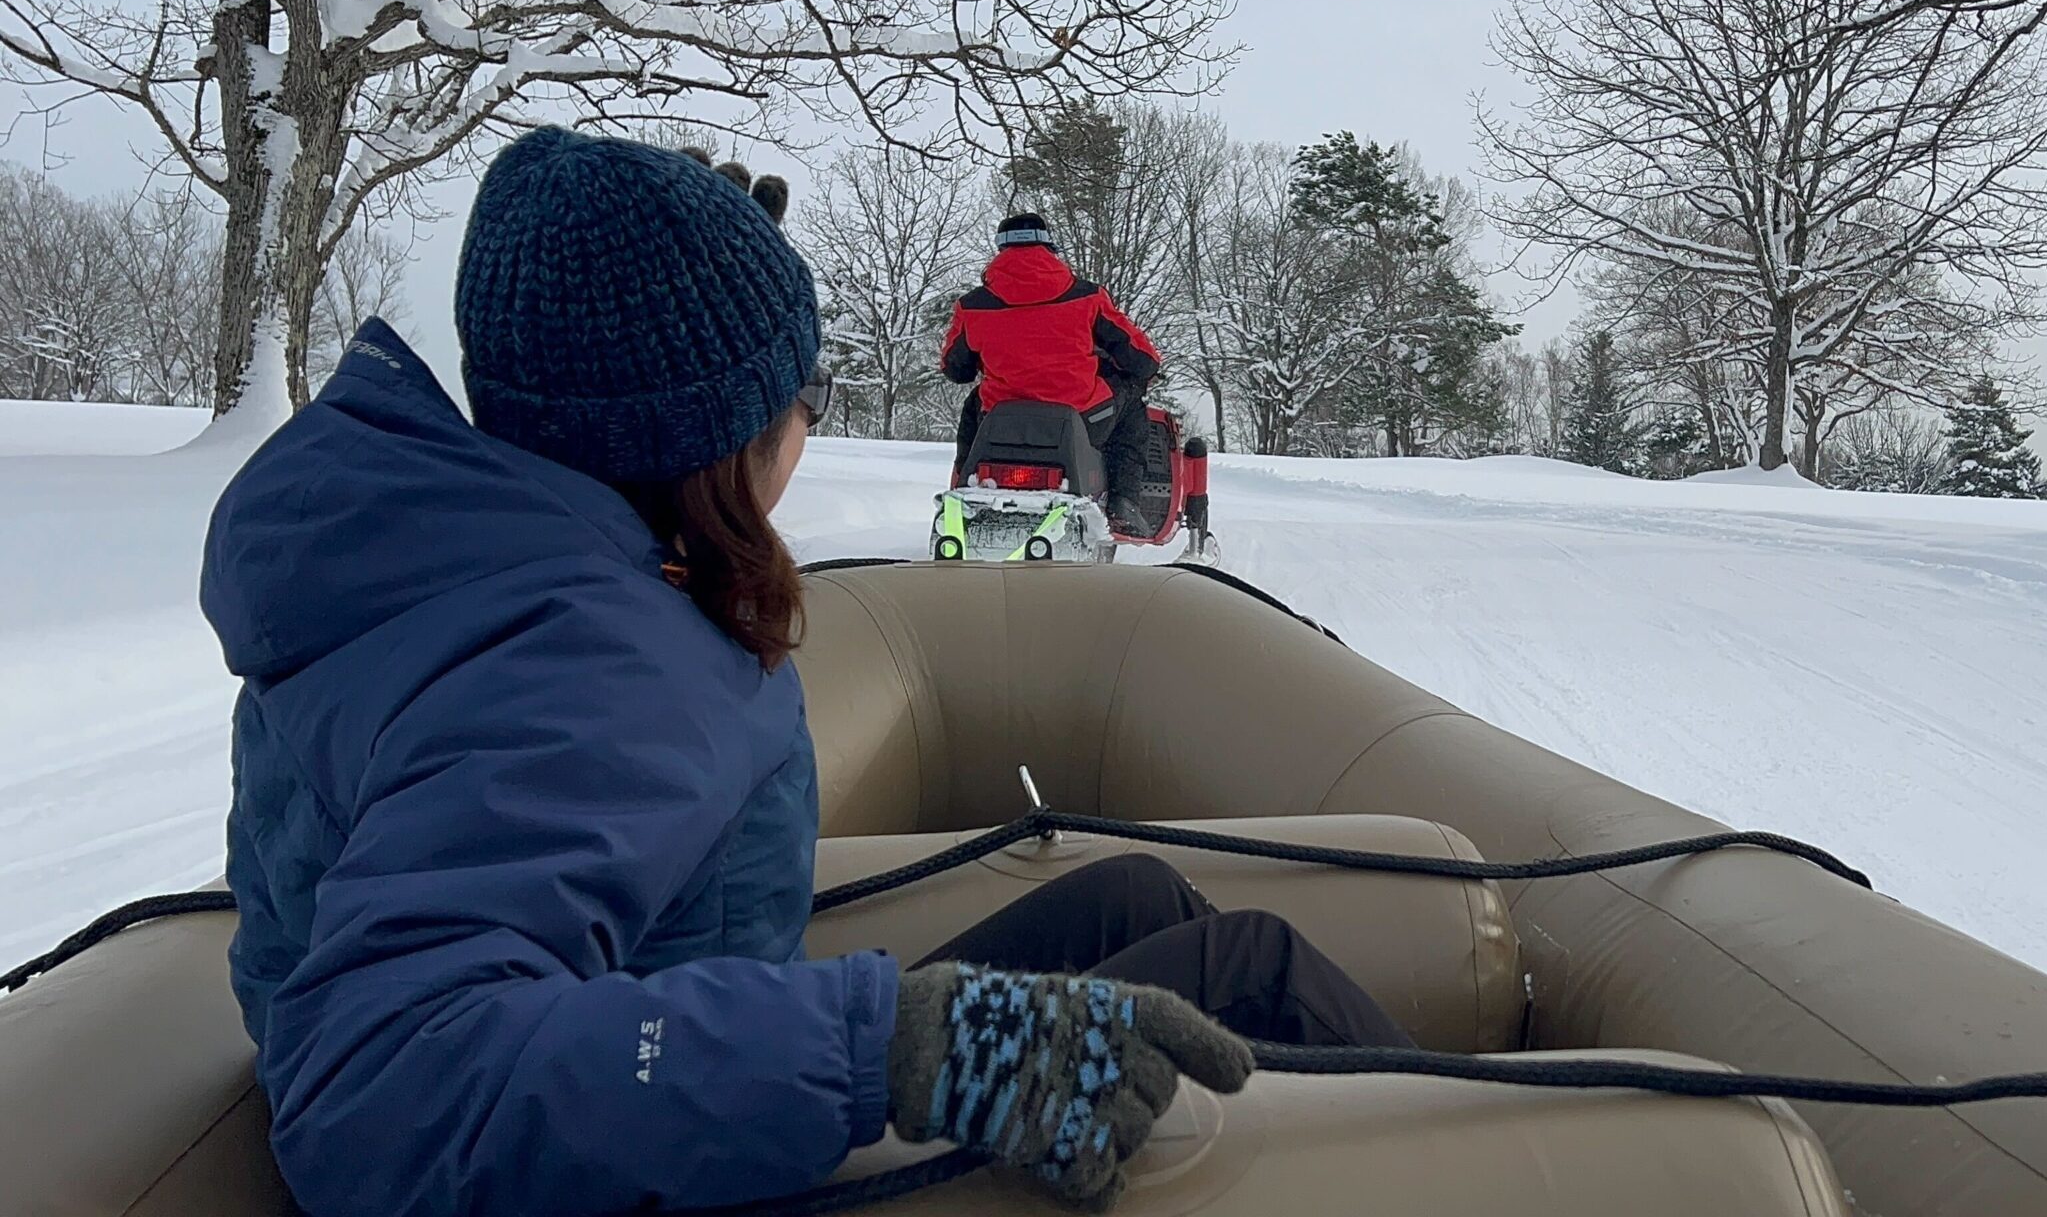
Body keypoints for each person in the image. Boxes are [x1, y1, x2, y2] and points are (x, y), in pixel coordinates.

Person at [201, 129, 1406, 1217]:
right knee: (1254, 969)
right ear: (713, 440)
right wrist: (883, 1054)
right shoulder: (594, 659)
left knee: (1136, 898)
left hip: (659, 1086)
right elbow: (385, 1090)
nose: (810, 421)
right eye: (803, 392)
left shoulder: (501, 570)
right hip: (658, 1174)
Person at [940, 213, 1162, 531]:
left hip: (1003, 422)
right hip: (1082, 417)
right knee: (1132, 403)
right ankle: (1123, 502)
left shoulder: (972, 307)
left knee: (974, 401)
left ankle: (965, 486)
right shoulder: (1086, 297)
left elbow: (955, 369)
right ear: (1049, 246)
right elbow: (1144, 361)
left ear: (1000, 250)